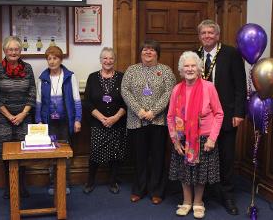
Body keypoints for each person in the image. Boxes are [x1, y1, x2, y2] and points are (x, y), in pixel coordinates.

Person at [196, 19, 246, 215]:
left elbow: (240, 85)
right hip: (202, 117)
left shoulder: (231, 54)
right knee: (204, 155)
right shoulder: (195, 54)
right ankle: (204, 192)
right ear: (199, 36)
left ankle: (227, 195)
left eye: (211, 33)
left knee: (226, 156)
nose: (207, 36)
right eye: (203, 33)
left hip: (226, 115)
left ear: (217, 35)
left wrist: (239, 112)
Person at [167, 51, 224, 219]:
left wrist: (212, 138)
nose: (190, 69)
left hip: (205, 138)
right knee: (184, 172)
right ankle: (186, 201)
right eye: (186, 66)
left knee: (201, 172)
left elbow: (219, 114)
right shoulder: (176, 89)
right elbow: (170, 116)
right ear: (181, 69)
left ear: (198, 68)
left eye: (193, 66)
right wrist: (175, 140)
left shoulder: (209, 87)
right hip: (183, 137)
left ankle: (198, 202)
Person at [121, 39, 176, 204]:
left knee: (158, 157)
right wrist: (139, 111)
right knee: (139, 157)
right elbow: (125, 91)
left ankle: (156, 191)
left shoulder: (165, 71)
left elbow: (169, 93)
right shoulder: (131, 70)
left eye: (152, 50)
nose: (148, 52)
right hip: (136, 121)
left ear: (157, 53)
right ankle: (139, 189)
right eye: (145, 49)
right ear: (140, 53)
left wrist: (153, 112)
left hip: (158, 121)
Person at [0, 36, 36, 199]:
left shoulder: (28, 68)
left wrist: (23, 114)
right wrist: (9, 116)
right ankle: (10, 188)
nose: (13, 52)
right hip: (3, 119)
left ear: (20, 51)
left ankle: (22, 187)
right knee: (7, 154)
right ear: (5, 51)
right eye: (10, 49)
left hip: (24, 117)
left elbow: (32, 92)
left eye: (16, 49)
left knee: (23, 152)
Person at [35, 45, 82, 195]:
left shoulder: (69, 76)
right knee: (50, 152)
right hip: (49, 122)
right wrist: (38, 120)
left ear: (60, 59)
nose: (52, 61)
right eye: (49, 58)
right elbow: (38, 102)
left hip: (65, 122)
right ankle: (52, 183)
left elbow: (76, 99)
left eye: (55, 58)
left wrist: (78, 119)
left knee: (65, 152)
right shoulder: (42, 78)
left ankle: (64, 182)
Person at [83, 47, 127, 194]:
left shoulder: (122, 77)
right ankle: (90, 181)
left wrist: (115, 118)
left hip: (117, 122)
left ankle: (113, 181)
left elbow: (126, 102)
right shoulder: (92, 77)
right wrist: (101, 118)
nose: (108, 61)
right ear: (100, 60)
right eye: (105, 58)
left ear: (114, 60)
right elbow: (88, 102)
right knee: (95, 153)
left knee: (116, 154)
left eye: (111, 58)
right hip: (98, 122)